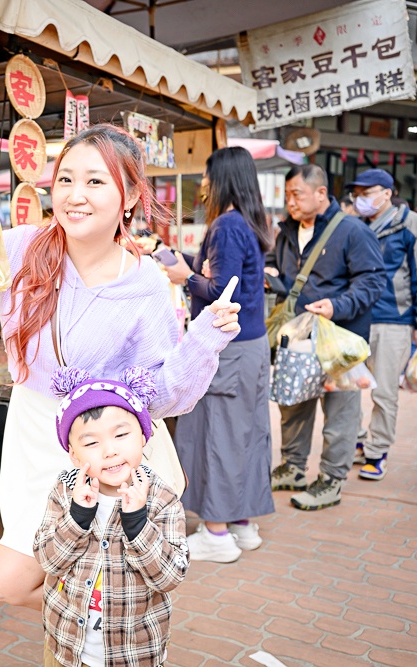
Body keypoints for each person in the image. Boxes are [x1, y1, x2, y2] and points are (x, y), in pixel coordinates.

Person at [0, 124, 240, 609]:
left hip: (103, 447)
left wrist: (204, 341)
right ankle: (86, 612)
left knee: (51, 573)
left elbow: (166, 394)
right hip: (33, 431)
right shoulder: (21, 249)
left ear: (128, 198)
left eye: (95, 182)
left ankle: (97, 621)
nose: (75, 196)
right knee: (14, 581)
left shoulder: (144, 281)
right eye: (65, 179)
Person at [164, 147, 275, 562]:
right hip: (251, 346)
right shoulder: (249, 222)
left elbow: (221, 294)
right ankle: (242, 525)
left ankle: (216, 532)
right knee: (245, 434)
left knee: (218, 434)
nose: (204, 185)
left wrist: (185, 276)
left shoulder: (227, 225)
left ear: (224, 178)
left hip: (229, 348)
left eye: (209, 177)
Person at [35, 366, 188, 667]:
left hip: (133, 654)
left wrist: (138, 525)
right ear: (75, 456)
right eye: (91, 443)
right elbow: (48, 561)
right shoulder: (65, 492)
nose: (109, 450)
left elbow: (170, 577)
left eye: (121, 435)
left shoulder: (161, 498)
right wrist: (78, 517)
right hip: (65, 649)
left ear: (144, 438)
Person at [267, 164, 386, 511]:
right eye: (287, 194)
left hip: (339, 339)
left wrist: (338, 305)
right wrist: (270, 274)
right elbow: (280, 267)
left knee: (340, 412)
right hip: (299, 338)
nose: (290, 201)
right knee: (294, 406)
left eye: (297, 194)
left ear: (321, 193)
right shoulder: (287, 231)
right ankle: (293, 467)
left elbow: (372, 281)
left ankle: (331, 480)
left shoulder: (351, 230)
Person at [347, 169, 417, 480]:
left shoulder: (413, 225)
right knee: (347, 386)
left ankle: (377, 451)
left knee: (384, 391)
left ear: (387, 192)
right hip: (356, 318)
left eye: (366, 192)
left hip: (394, 321)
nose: (360, 199)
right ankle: (358, 440)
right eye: (356, 194)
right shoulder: (355, 225)